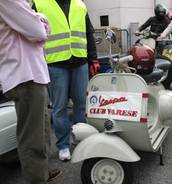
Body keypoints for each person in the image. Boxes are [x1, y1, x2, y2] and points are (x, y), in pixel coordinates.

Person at [0, 0, 61, 183]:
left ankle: (40, 172)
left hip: (31, 74)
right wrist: (40, 20)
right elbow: (38, 31)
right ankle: (36, 178)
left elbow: (41, 30)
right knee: (31, 135)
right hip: (24, 75)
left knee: (41, 130)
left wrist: (38, 20)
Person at [32, 0, 100, 161]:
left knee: (81, 104)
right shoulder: (39, 4)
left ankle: (80, 139)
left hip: (80, 62)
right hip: (55, 63)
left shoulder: (80, 4)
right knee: (59, 107)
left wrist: (94, 58)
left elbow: (88, 32)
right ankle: (63, 145)